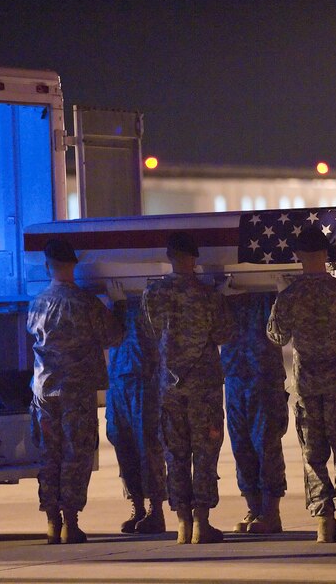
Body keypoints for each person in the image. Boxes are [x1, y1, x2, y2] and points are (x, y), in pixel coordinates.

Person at [266, 226, 336, 543]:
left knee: (313, 457)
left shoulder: (290, 296)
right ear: (326, 256)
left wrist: (282, 296)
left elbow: (276, 336)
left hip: (308, 390)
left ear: (298, 256)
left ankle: (323, 523)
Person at [140, 231, 236, 544]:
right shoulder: (208, 295)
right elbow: (223, 334)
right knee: (204, 455)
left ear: (169, 257)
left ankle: (182, 524)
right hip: (204, 387)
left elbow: (153, 330)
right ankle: (201, 522)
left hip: (170, 386)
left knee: (175, 453)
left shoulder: (152, 293)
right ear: (194, 259)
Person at [27, 238, 124, 544]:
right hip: (76, 392)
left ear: (47, 266)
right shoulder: (86, 303)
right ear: (74, 266)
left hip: (44, 391)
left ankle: (52, 522)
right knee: (76, 456)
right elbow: (114, 337)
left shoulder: (37, 304)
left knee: (49, 455)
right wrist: (116, 305)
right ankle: (71, 521)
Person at [219, 288, 289, 534]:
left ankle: (271, 511)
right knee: (241, 445)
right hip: (235, 374)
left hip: (264, 374)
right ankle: (253, 506)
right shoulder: (222, 290)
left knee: (266, 444)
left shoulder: (265, 290)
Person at [105, 295, 167, 534]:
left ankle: (155, 509)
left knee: (148, 445)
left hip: (145, 377)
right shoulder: (116, 300)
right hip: (119, 379)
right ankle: (137, 506)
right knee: (122, 443)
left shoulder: (151, 296)